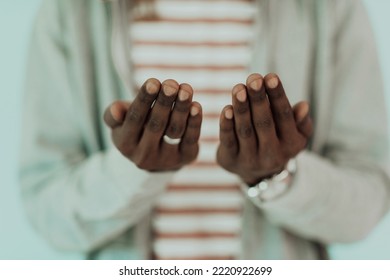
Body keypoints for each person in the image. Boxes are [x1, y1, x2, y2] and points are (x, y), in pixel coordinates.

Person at [20, 0, 390, 259]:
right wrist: (130, 173)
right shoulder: (73, 10)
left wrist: (278, 178)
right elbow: (47, 211)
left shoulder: (330, 7)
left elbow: (367, 204)